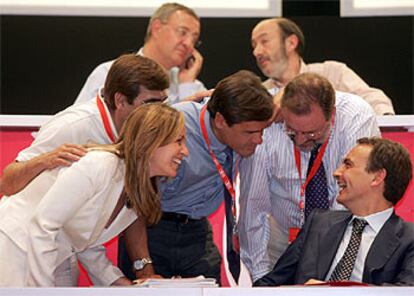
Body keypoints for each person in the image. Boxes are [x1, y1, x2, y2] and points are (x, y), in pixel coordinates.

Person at [0, 103, 189, 286]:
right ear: (151, 142)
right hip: (16, 246)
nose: (185, 151)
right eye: (178, 141)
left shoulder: (137, 187)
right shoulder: (99, 164)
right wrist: (41, 291)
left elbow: (85, 243)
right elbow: (42, 225)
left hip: (50, 253)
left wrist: (120, 283)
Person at [118, 70, 275, 284]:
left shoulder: (238, 119)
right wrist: (142, 265)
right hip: (151, 228)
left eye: (262, 131)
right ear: (220, 121)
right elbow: (132, 201)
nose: (259, 140)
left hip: (198, 231)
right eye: (249, 132)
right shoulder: (174, 126)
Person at [238, 72, 381, 282]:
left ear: (331, 115)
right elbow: (253, 205)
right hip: (283, 230)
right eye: (292, 132)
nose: (301, 141)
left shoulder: (356, 117)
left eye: (312, 133)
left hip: (342, 229)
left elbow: (354, 196)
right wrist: (261, 279)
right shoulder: (267, 119)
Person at [0, 54, 169, 197]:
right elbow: (7, 183)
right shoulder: (72, 125)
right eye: (150, 104)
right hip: (27, 231)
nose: (159, 112)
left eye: (163, 102)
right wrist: (45, 161)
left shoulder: (143, 130)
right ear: (121, 101)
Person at [254, 137, 414, 286]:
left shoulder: (409, 238)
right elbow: (272, 284)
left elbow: (404, 293)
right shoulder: (318, 223)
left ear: (377, 177)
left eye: (348, 165)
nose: (336, 173)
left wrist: (329, 291)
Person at [251, 17, 395, 115]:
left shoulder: (333, 73)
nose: (256, 52)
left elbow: (375, 100)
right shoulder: (261, 93)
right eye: (254, 45)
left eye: (264, 41)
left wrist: (387, 122)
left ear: (291, 43)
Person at [74, 2, 205, 106]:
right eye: (182, 32)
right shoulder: (109, 73)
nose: (188, 43)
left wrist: (186, 86)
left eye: (194, 39)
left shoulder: (193, 86)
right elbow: (80, 127)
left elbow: (188, 135)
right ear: (157, 28)